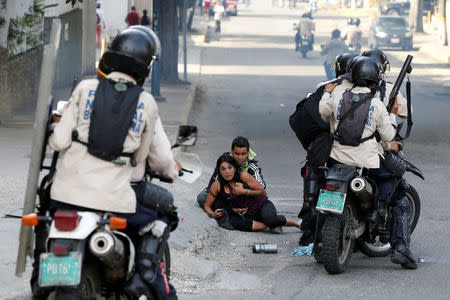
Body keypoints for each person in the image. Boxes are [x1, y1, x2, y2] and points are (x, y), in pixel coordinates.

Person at [47, 26, 178, 298]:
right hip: (115, 202)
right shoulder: (146, 103)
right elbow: (142, 159)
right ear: (146, 66)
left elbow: (57, 143)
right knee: (161, 217)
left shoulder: (84, 89)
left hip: (64, 198)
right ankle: (148, 278)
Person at [204, 154, 300, 232]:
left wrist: (244, 191)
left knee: (271, 219)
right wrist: (212, 214)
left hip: (261, 206)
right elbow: (207, 206)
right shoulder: (217, 185)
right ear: (219, 171)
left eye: (230, 168)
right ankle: (270, 226)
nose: (227, 172)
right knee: (234, 222)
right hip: (245, 214)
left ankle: (298, 224)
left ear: (235, 168)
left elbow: (263, 192)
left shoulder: (243, 176)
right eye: (223, 169)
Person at [197, 136, 266, 208]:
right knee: (202, 198)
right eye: (237, 154)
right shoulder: (224, 162)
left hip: (243, 196)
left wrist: (243, 189)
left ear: (248, 153)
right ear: (232, 152)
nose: (240, 157)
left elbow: (262, 187)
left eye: (243, 154)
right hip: (224, 195)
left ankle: (230, 210)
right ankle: (229, 209)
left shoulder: (251, 166)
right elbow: (213, 185)